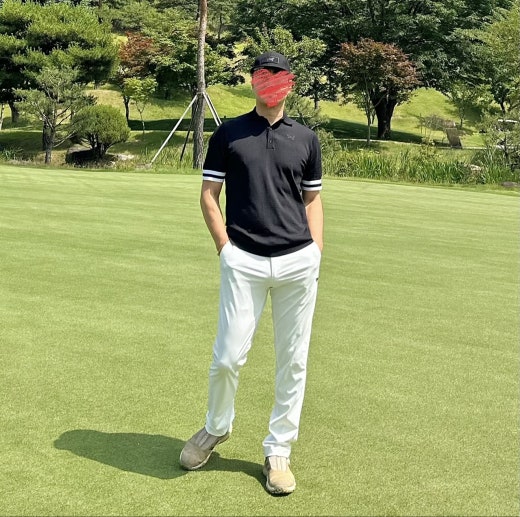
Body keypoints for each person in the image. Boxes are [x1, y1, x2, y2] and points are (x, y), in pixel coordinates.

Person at [179, 51, 323, 495]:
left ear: (290, 83)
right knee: (227, 356)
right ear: (254, 81)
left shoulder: (306, 138)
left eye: (279, 75)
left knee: (293, 360)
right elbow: (209, 194)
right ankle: (216, 427)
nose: (272, 81)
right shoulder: (229, 133)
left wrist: (316, 252)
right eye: (264, 74)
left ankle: (278, 450)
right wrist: (225, 248)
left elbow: (312, 198)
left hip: (297, 260)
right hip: (244, 259)